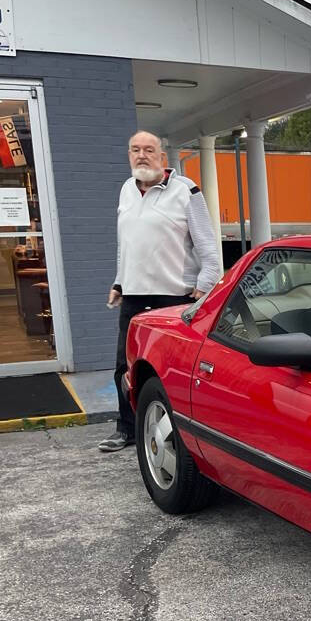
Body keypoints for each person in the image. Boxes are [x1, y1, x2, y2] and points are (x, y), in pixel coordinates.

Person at [98, 132, 221, 452]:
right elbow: (125, 246)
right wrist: (119, 282)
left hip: (174, 300)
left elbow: (209, 249)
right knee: (124, 368)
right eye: (135, 150)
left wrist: (203, 290)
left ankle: (179, 434)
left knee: (171, 372)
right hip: (134, 297)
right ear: (128, 155)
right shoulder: (126, 190)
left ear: (163, 158)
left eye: (149, 150)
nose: (142, 155)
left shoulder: (186, 191)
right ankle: (127, 429)